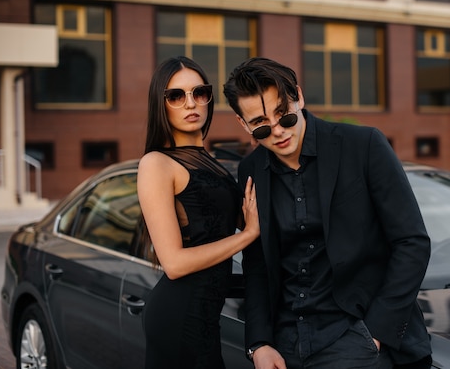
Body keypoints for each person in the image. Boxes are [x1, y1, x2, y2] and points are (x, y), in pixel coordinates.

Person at [223, 57, 432, 369]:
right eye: (262, 126)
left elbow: (412, 242)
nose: (278, 132)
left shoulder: (363, 145)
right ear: (244, 124)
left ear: (299, 96)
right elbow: (258, 264)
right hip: (287, 344)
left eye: (285, 116)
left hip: (356, 337)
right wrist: (259, 343)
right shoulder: (252, 169)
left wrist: (376, 333)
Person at [137, 56, 260, 369]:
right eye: (176, 96)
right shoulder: (156, 164)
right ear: (160, 104)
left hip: (207, 314)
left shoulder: (210, 161)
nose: (190, 103)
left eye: (199, 93)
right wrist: (247, 235)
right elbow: (175, 264)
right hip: (178, 316)